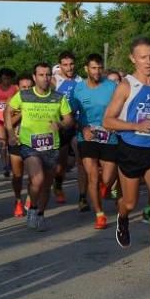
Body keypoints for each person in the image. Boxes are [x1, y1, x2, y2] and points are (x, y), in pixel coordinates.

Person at [104, 37, 150, 275]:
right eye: (143, 57)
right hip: (131, 150)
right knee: (130, 202)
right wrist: (136, 125)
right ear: (133, 59)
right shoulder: (126, 85)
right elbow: (108, 120)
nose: (149, 61)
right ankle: (123, 217)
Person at [5, 63, 74, 231]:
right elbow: (7, 111)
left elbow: (69, 120)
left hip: (51, 146)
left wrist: (60, 124)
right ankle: (33, 209)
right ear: (34, 77)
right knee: (38, 179)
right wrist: (11, 133)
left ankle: (40, 213)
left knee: (46, 185)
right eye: (41, 75)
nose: (45, 78)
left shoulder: (59, 98)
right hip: (29, 145)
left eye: (48, 75)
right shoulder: (24, 95)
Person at [71, 54, 120, 230]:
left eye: (99, 68)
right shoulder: (78, 89)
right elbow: (70, 116)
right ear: (86, 69)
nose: (97, 71)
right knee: (92, 175)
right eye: (93, 68)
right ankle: (99, 214)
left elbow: (121, 109)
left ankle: (104, 188)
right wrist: (82, 128)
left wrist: (116, 124)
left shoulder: (112, 86)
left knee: (106, 179)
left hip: (109, 136)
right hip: (88, 136)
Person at [52, 51, 83, 207]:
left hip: (76, 124)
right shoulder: (54, 81)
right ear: (60, 65)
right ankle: (58, 184)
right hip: (61, 126)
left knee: (81, 158)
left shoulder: (80, 80)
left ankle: (83, 195)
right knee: (61, 163)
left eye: (71, 64)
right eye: (65, 65)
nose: (69, 67)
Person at [8, 74, 33, 216]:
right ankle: (18, 200)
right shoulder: (12, 101)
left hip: (32, 142)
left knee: (33, 174)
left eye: (29, 87)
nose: (27, 90)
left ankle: (30, 198)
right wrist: (22, 113)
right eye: (24, 87)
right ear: (17, 87)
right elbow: (8, 123)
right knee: (17, 176)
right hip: (16, 142)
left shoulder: (38, 101)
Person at [0, 68, 18, 178]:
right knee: (2, 141)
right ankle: (5, 166)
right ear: (0, 78)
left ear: (11, 79)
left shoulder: (15, 88)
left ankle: (12, 163)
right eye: (3, 78)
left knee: (12, 141)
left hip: (12, 118)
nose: (5, 81)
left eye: (8, 79)